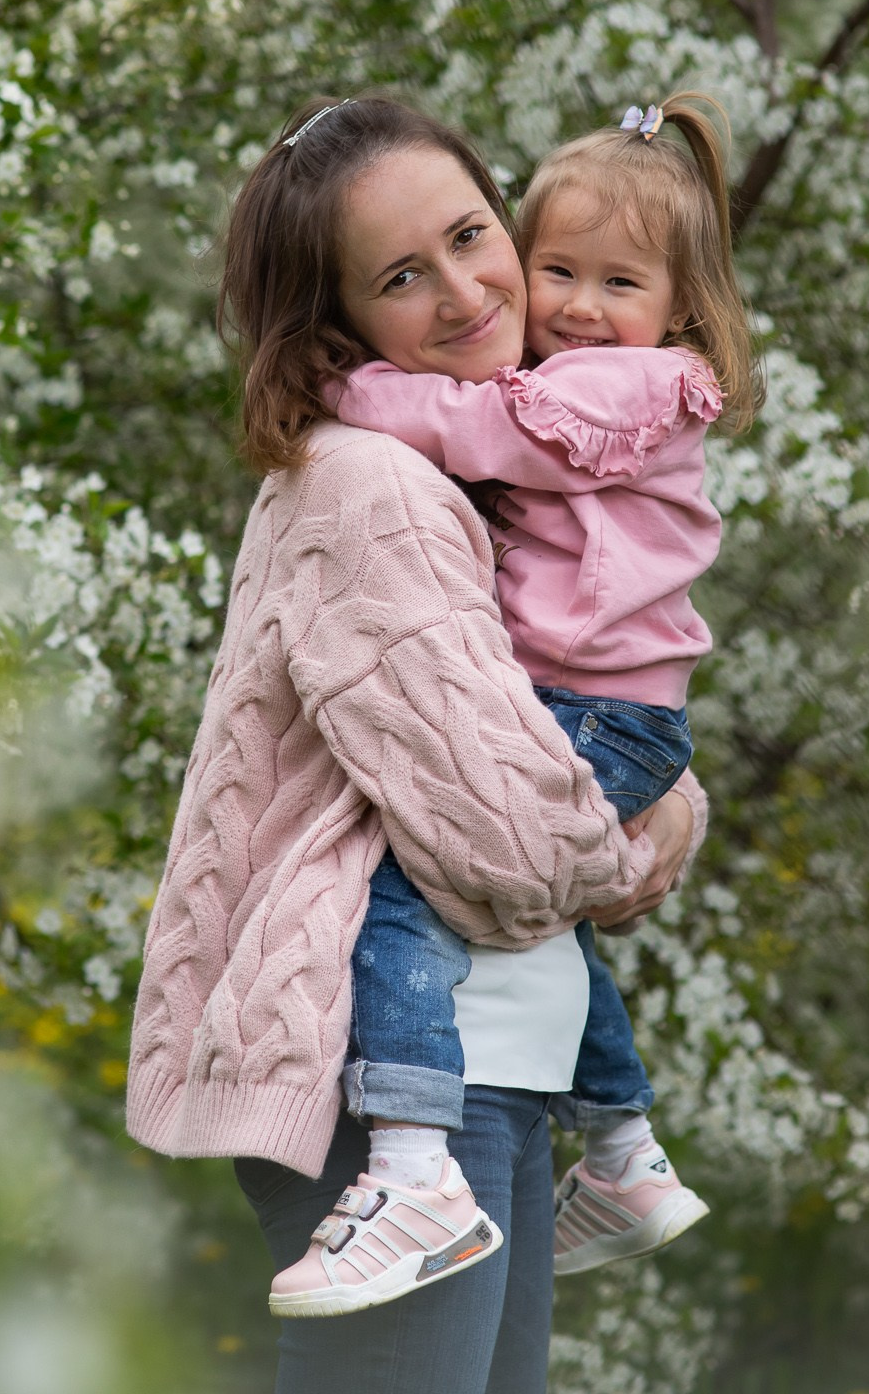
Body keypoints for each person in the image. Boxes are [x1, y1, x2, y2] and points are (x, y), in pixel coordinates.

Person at [125, 95, 706, 1394]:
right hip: (392, 1095)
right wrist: (640, 835)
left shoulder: (490, 461)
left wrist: (670, 797)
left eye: (471, 235)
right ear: (337, 324)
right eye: (400, 276)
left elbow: (540, 722)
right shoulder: (372, 483)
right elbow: (509, 840)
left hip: (495, 1065)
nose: (463, 291)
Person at [315, 92, 763, 1299]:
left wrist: (352, 391)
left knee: (409, 889)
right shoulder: (595, 376)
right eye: (558, 269)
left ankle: (410, 1161)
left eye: (621, 283)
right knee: (545, 914)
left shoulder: (631, 388)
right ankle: (623, 1150)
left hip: (598, 708)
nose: (578, 306)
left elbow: (488, 426)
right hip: (607, 709)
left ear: (681, 308)